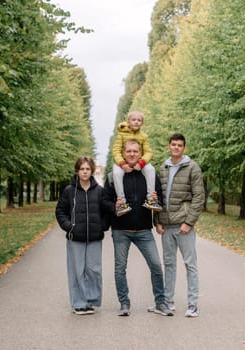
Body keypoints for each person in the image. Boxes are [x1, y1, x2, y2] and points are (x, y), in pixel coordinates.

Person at [104, 140, 173, 317]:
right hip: (121, 230)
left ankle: (160, 302)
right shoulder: (114, 176)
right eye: (129, 151)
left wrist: (157, 220)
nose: (132, 154)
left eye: (136, 151)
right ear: (123, 153)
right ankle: (124, 303)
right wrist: (115, 206)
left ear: (141, 153)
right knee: (120, 268)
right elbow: (104, 200)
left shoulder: (149, 174)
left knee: (156, 266)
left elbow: (157, 202)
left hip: (144, 230)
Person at [155, 133, 205, 318]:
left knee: (190, 264)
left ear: (184, 148)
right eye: (173, 144)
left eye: (180, 145)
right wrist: (157, 220)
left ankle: (193, 304)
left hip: (184, 226)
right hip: (166, 226)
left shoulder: (192, 168)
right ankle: (168, 302)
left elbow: (199, 197)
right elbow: (157, 197)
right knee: (169, 264)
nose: (176, 147)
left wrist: (188, 222)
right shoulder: (163, 168)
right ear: (169, 146)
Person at [55, 156, 110, 315]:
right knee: (77, 270)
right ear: (77, 171)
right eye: (82, 169)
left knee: (94, 270)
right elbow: (60, 211)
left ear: (92, 171)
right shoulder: (69, 191)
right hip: (75, 238)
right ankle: (79, 303)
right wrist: (69, 227)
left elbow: (107, 212)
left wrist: (102, 227)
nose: (85, 172)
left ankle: (92, 301)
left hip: (94, 237)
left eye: (87, 169)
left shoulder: (99, 191)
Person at [112, 110, 162, 216]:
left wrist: (141, 163)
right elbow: (116, 151)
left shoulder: (144, 136)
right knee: (116, 174)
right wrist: (122, 164)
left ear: (142, 123)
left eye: (139, 120)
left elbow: (148, 152)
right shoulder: (121, 135)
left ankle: (151, 199)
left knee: (150, 169)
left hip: (139, 161)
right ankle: (122, 202)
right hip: (122, 162)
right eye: (133, 120)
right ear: (128, 122)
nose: (136, 122)